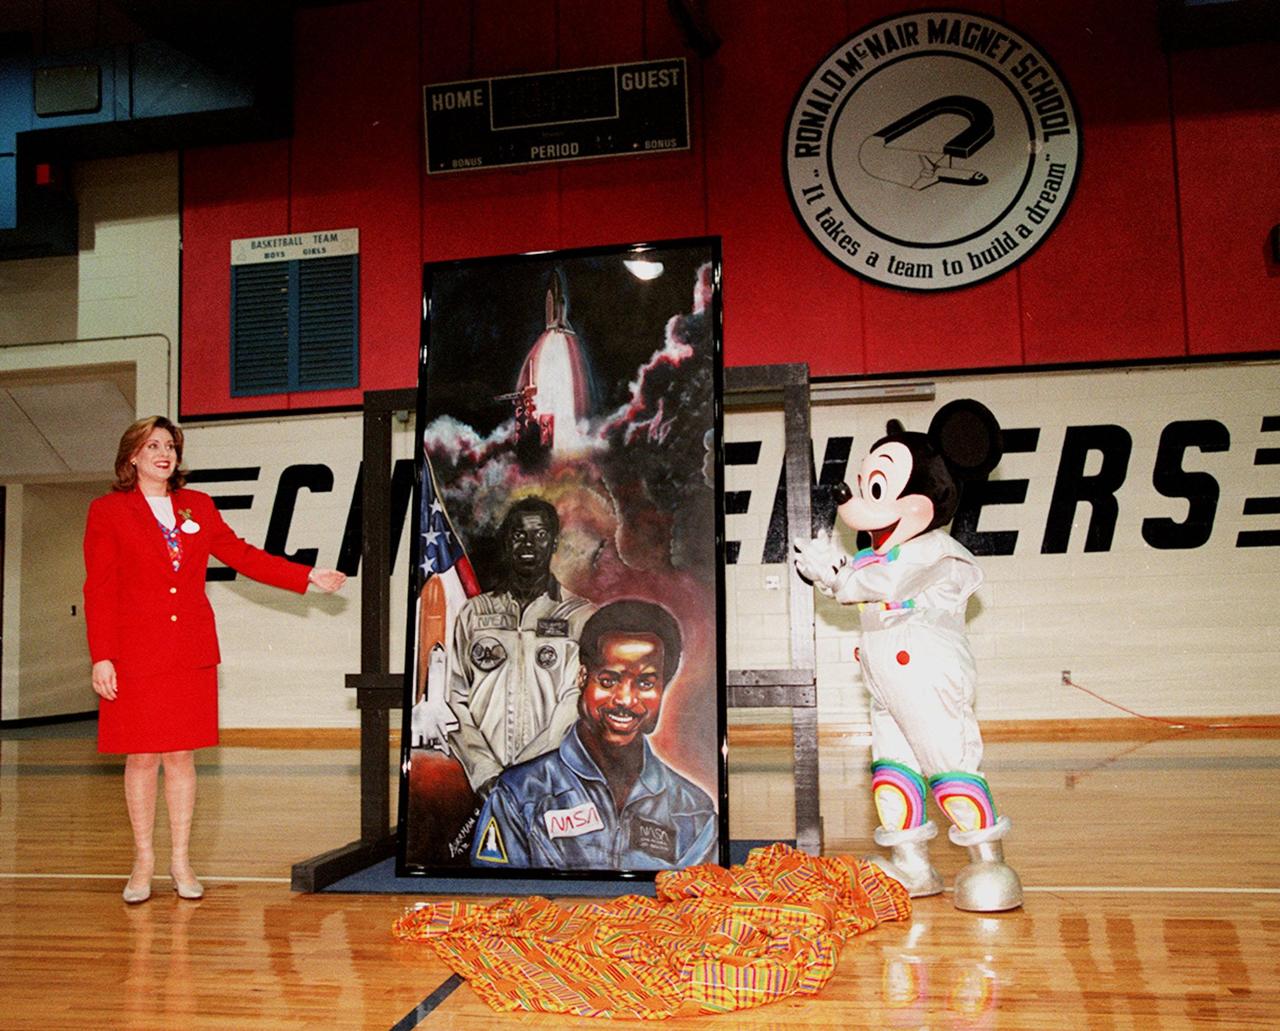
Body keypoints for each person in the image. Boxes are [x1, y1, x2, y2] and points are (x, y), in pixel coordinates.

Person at [83, 416, 346, 904]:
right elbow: (98, 590)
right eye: (153, 445)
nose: (164, 453)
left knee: (181, 758)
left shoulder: (198, 506)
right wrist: (103, 657)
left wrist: (306, 576)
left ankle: (181, 861)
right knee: (142, 758)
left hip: (190, 653)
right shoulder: (108, 511)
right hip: (135, 654)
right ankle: (142, 863)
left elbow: (241, 555)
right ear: (133, 457)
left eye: (171, 445)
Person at [470, 598, 718, 871]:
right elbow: (497, 898)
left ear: (663, 687)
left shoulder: (693, 812)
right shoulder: (519, 795)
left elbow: (696, 905)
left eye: (645, 683)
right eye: (609, 680)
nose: (625, 699)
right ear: (582, 677)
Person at [446, 496, 594, 794]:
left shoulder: (581, 616)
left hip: (554, 781)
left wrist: (527, 773)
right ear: (506, 543)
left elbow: (578, 702)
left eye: (540, 535)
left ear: (553, 544)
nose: (528, 544)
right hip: (481, 784)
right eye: (518, 535)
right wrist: (484, 770)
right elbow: (453, 698)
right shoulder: (474, 614)